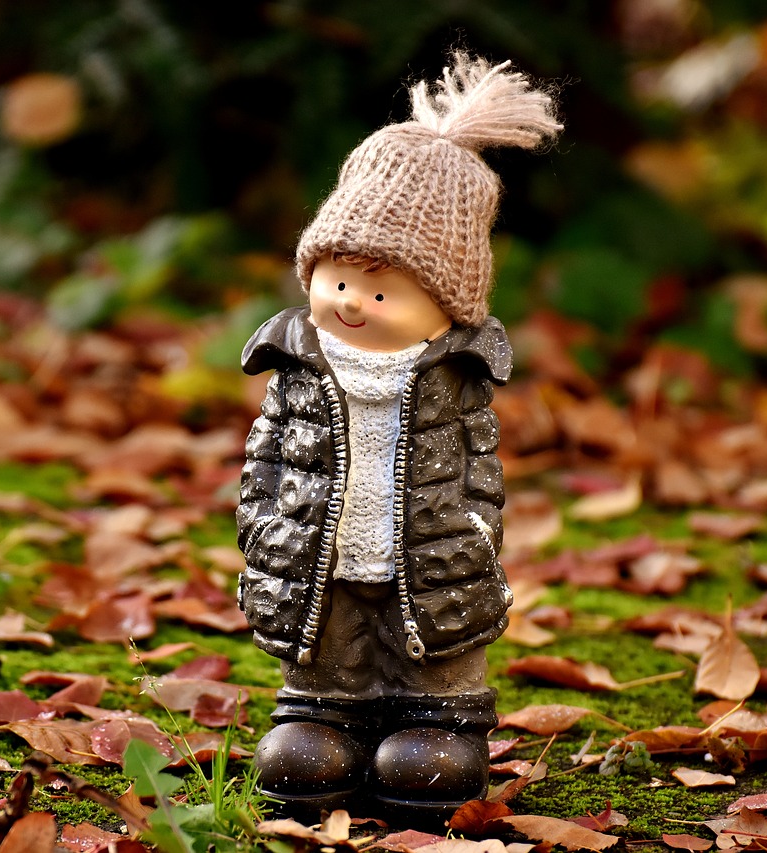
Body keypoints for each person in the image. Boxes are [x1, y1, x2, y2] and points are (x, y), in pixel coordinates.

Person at [236, 53, 561, 820]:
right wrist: (263, 526)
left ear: (448, 308)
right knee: (326, 662)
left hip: (431, 562)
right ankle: (322, 715)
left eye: (383, 289)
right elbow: (268, 455)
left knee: (436, 660)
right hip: (321, 562)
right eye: (338, 279)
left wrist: (472, 535)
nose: (352, 303)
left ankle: (437, 723)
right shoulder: (298, 365)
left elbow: (481, 474)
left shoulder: (457, 377)